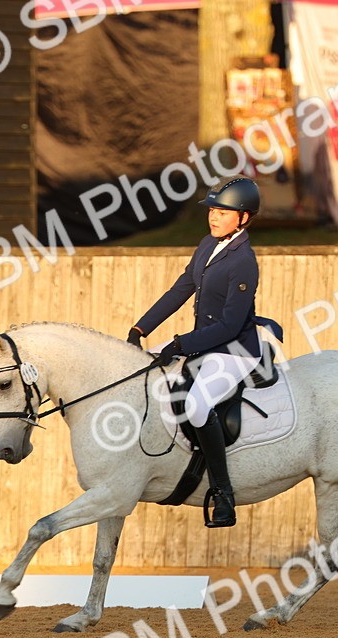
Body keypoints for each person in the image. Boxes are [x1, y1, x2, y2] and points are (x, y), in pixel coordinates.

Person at [127, 177, 265, 528]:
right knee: (139, 369)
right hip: (203, 341)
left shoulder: (244, 261)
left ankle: (223, 493)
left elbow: (231, 326)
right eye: (212, 211)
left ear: (244, 217)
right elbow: (180, 290)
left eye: (223, 212)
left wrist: (181, 344)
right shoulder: (207, 245)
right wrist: (141, 328)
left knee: (196, 405)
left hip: (234, 351)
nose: (213, 217)